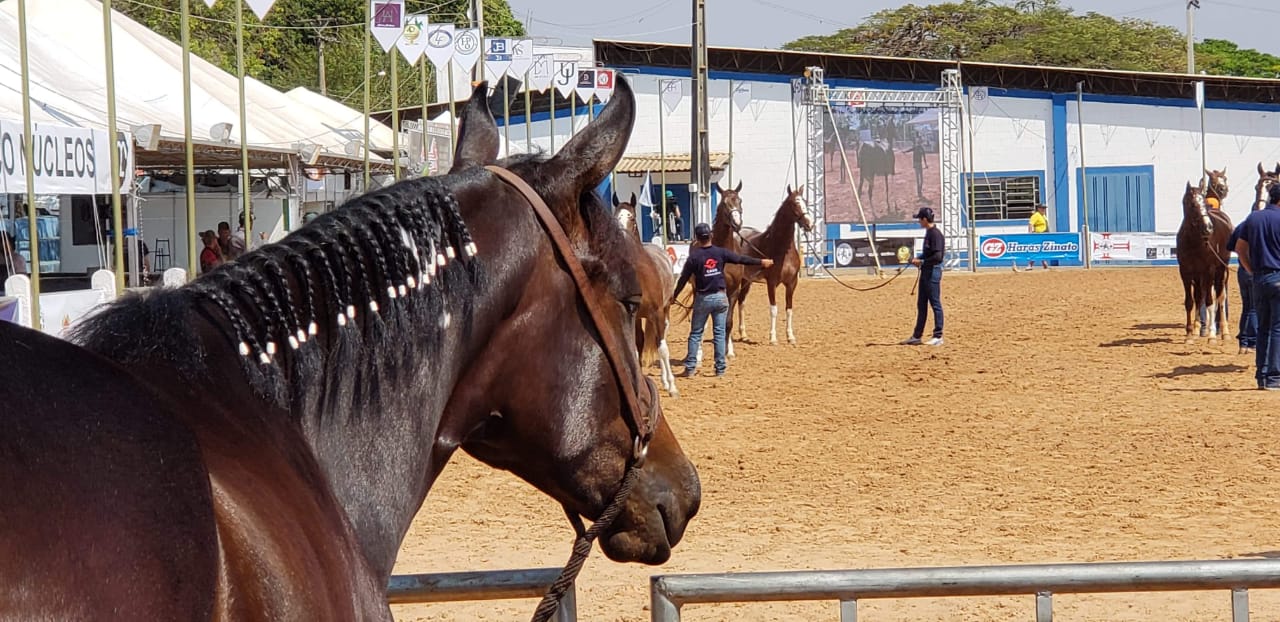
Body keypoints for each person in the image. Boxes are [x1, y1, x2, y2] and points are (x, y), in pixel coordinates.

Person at [671, 222, 773, 377]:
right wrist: (761, 262)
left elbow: (683, 279)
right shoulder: (721, 253)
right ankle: (720, 368)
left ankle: (690, 367)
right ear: (711, 236)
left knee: (696, 333)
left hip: (703, 298)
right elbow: (741, 259)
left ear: (697, 239)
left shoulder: (694, 257)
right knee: (719, 333)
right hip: (720, 297)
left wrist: (674, 296)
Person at [1235, 183, 1280, 390]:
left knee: (1262, 327)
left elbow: (1239, 247)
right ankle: (1274, 376)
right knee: (1277, 328)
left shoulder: (1253, 218)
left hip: (1259, 278)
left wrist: (1250, 269)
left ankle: (1261, 375)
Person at [902, 207, 945, 346]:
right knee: (922, 304)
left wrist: (922, 261)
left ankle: (938, 335)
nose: (918, 221)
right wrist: (918, 259)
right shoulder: (929, 233)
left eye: (919, 219)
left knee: (935, 304)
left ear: (925, 219)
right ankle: (917, 335)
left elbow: (938, 257)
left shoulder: (935, 234)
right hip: (926, 272)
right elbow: (928, 253)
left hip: (933, 272)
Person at [1228, 219, 1257, 355]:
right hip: (1257, 270)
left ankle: (1244, 342)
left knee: (1247, 307)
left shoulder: (1242, 225)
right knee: (1254, 309)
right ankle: (1251, 342)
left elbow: (1233, 246)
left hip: (1243, 270)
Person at [1026, 204, 1051, 270]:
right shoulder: (1036, 215)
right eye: (1042, 208)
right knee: (1037, 250)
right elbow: (1031, 224)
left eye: (1044, 208)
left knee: (1042, 249)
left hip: (1044, 235)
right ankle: (1030, 265)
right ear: (1038, 209)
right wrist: (1030, 233)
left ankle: (1044, 263)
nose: (1044, 209)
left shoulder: (1043, 216)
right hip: (1038, 235)